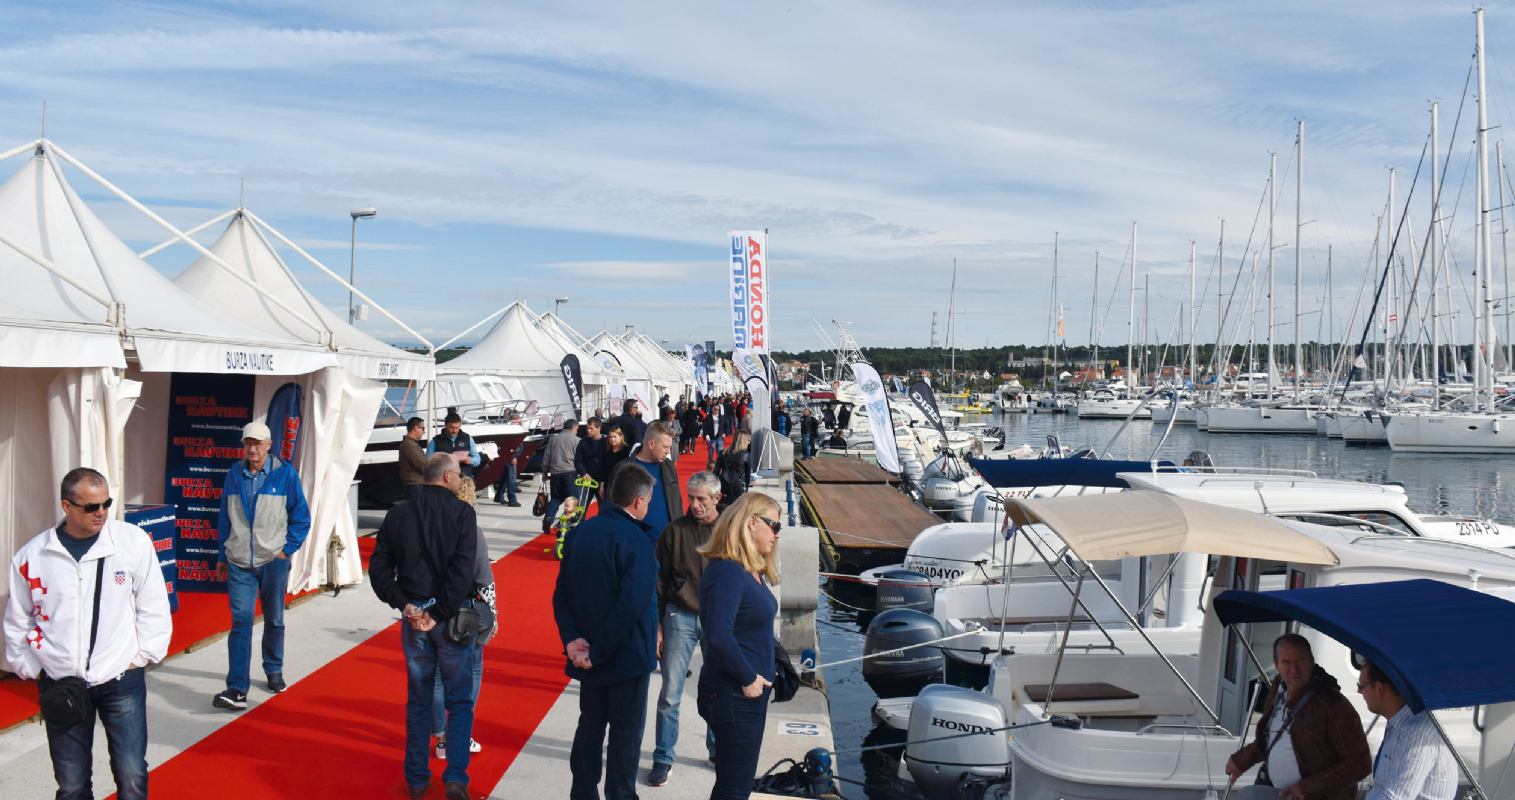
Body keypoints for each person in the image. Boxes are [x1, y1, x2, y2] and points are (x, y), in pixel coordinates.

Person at [3, 468, 172, 800]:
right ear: (66, 506)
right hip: (61, 683)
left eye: (106, 503)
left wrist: (142, 657)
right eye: (91, 506)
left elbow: (153, 604)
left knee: (132, 774)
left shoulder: (131, 542)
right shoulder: (32, 556)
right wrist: (34, 669)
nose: (102, 513)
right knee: (71, 784)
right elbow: (16, 621)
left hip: (121, 679)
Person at [369, 455, 480, 800]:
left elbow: (379, 568)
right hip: (448, 619)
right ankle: (456, 778)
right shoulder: (463, 514)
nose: (460, 481)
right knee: (459, 700)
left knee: (419, 701)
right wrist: (439, 611)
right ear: (446, 476)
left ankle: (417, 780)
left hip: (415, 616)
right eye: (458, 476)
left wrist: (404, 603)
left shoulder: (399, 513)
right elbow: (463, 573)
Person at [553, 464, 660, 800]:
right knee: (625, 736)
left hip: (587, 653)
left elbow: (561, 596)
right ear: (639, 502)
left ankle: (582, 793)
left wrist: (573, 641)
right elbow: (631, 606)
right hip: (623, 658)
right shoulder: (638, 542)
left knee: (590, 727)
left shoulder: (579, 533)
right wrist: (597, 651)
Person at [213, 421, 311, 710]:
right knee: (241, 620)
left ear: (269, 445)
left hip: (273, 560)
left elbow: (301, 517)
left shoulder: (285, 474)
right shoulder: (234, 474)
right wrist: (222, 555)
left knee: (275, 619)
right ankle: (237, 687)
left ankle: (273, 669)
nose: (252, 449)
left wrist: (287, 550)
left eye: (257, 443)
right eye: (247, 443)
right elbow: (224, 516)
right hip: (239, 561)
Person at [697, 492, 783, 800]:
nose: (777, 533)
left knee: (737, 784)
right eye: (773, 525)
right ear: (751, 523)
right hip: (734, 693)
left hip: (748, 693)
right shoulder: (727, 571)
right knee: (734, 789)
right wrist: (748, 678)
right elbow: (718, 634)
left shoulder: (749, 571)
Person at [1225, 634, 1371, 800]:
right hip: (1280, 792)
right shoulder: (1278, 688)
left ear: (1311, 661)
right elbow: (1266, 740)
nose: (1294, 669)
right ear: (1276, 665)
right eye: (1286, 662)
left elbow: (1360, 764)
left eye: (1300, 661)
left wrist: (1306, 787)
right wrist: (1240, 761)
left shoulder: (1333, 704)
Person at [648, 472, 723, 786]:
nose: (694, 504)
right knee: (670, 695)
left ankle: (719, 751)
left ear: (716, 498)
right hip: (679, 615)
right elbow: (658, 583)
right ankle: (664, 758)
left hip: (719, 618)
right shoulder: (673, 532)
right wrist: (658, 628)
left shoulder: (731, 530)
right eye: (691, 497)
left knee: (719, 691)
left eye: (701, 499)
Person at [432, 475, 497, 763]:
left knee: (435, 676)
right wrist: (493, 614)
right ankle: (459, 733)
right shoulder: (472, 532)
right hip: (463, 609)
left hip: (431, 607)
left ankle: (442, 736)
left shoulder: (427, 528)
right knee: (471, 670)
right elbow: (483, 577)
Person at [1358, 658, 1458, 799]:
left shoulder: (1415, 734)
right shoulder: (1401, 725)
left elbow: (1395, 796)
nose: (1359, 692)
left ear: (1379, 689)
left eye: (1361, 686)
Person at [630, 421, 683, 538]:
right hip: (637, 542)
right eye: (665, 447)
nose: (668, 451)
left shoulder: (668, 466)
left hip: (668, 542)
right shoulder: (625, 469)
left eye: (670, 447)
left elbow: (676, 500)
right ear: (651, 444)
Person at [542, 419, 581, 531]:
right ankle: (568, 523)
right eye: (577, 429)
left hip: (555, 473)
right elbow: (579, 459)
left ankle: (548, 518)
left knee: (556, 498)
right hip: (570, 473)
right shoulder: (577, 440)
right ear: (574, 428)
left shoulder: (553, 439)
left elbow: (546, 458)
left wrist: (545, 472)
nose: (577, 431)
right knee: (573, 500)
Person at [428, 412, 481, 484]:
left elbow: (477, 459)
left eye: (457, 428)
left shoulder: (468, 438)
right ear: (445, 425)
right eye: (452, 427)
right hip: (444, 481)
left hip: (464, 480)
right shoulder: (435, 441)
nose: (454, 431)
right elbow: (428, 463)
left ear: (460, 425)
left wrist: (470, 460)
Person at [716, 431, 753, 509]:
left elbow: (716, 472)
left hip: (724, 485)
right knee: (737, 510)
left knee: (723, 508)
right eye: (748, 440)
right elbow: (747, 475)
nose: (749, 442)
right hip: (739, 486)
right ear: (743, 441)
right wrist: (747, 487)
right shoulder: (746, 455)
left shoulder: (723, 453)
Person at [574, 416, 605, 506]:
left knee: (603, 509)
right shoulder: (583, 442)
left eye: (591, 428)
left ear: (598, 428)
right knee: (581, 508)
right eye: (587, 428)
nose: (588, 430)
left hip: (602, 481)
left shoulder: (606, 441)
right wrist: (584, 473)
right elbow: (577, 461)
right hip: (587, 480)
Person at [398, 416, 428, 501]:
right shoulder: (410, 445)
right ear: (416, 428)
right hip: (415, 485)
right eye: (423, 428)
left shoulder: (410, 444)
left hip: (415, 485)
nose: (424, 431)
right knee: (418, 512)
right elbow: (423, 465)